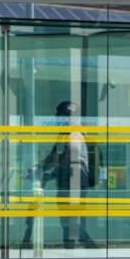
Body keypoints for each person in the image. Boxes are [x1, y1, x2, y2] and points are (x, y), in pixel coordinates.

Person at [25, 101, 97, 249]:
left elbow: (67, 159)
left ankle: (93, 249)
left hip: (76, 181)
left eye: (64, 117)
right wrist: (38, 167)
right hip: (65, 180)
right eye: (60, 117)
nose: (60, 121)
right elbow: (54, 157)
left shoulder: (75, 135)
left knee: (70, 222)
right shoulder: (63, 135)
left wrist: (48, 175)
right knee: (66, 221)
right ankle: (70, 251)